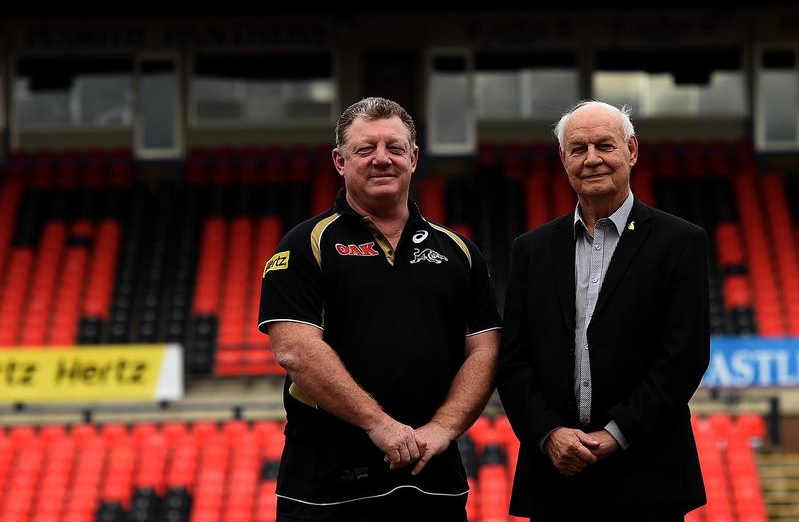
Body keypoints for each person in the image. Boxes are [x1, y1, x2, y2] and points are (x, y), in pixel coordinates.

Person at [258, 96, 501, 522]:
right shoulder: (304, 244)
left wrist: (442, 429)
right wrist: (378, 425)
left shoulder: (460, 251)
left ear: (414, 157)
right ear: (339, 160)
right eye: (365, 149)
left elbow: (484, 348)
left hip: (434, 478)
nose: (381, 159)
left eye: (394, 147)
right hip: (327, 487)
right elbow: (294, 350)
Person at [497, 100, 710, 521]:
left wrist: (616, 435)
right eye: (578, 149)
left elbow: (683, 358)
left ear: (631, 150)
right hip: (555, 479)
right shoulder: (531, 250)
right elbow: (513, 360)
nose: (592, 159)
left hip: (648, 481)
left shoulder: (680, 242)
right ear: (563, 160)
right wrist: (549, 434)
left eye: (604, 146)